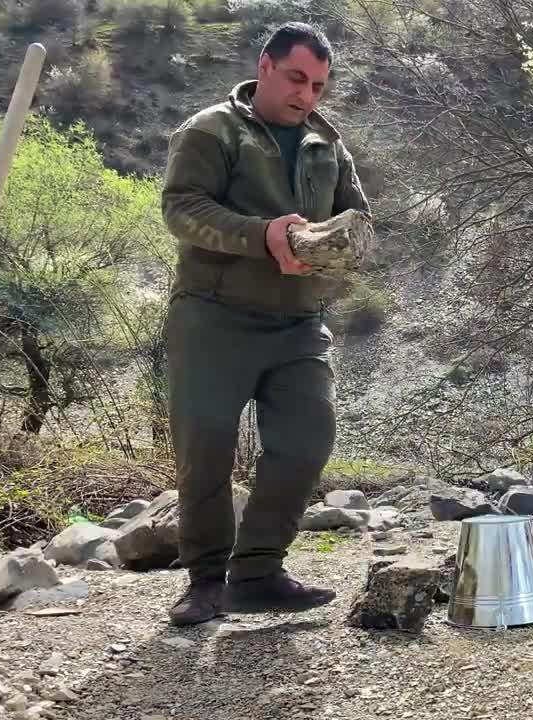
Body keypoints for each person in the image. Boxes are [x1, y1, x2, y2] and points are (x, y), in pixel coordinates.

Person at [159, 21, 369, 626]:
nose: (308, 95)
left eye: (320, 86)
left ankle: (257, 572)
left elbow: (357, 217)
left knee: (307, 441)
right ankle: (204, 583)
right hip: (213, 317)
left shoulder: (327, 144)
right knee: (206, 451)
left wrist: (339, 246)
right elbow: (182, 209)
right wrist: (262, 235)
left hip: (299, 321)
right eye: (298, 79)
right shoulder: (210, 130)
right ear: (266, 66)